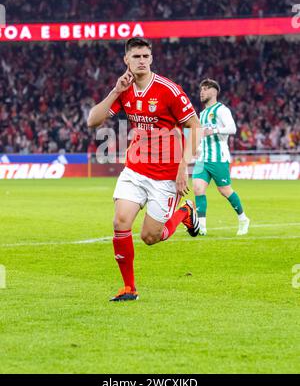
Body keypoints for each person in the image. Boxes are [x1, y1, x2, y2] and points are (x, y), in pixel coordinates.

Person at [87, 37, 201, 301]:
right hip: (135, 169)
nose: (141, 61)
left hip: (165, 174)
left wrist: (184, 165)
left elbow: (195, 126)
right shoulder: (124, 89)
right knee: (120, 221)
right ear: (126, 60)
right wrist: (115, 90)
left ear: (151, 59)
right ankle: (129, 288)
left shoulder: (168, 90)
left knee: (151, 237)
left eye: (145, 57)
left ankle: (185, 212)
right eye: (136, 56)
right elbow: (93, 120)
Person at [192, 78, 250, 236]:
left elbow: (232, 128)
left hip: (218, 157)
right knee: (198, 188)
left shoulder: (221, 110)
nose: (201, 92)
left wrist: (215, 130)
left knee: (225, 190)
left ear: (214, 91)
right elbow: (202, 134)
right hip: (203, 158)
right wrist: (197, 148)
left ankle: (243, 219)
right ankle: (202, 227)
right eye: (201, 89)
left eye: (205, 89)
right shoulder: (202, 113)